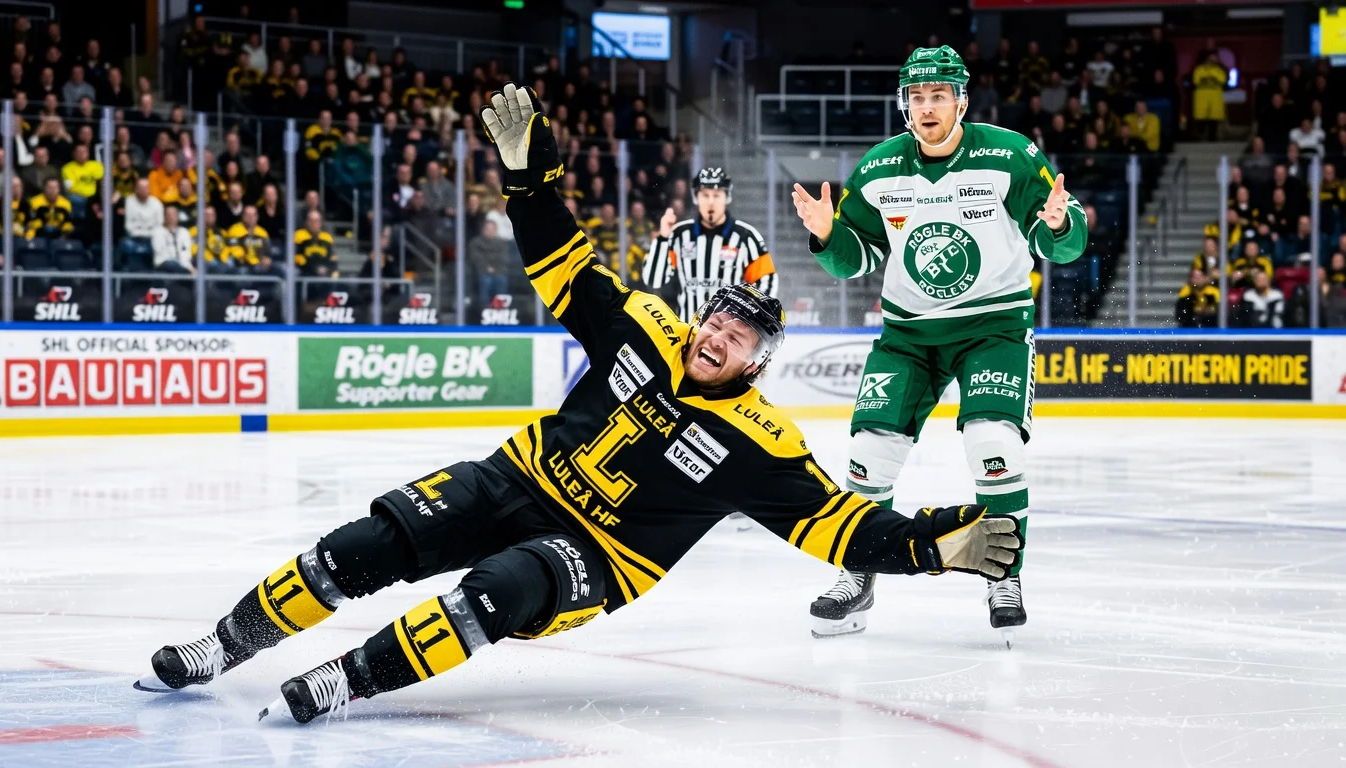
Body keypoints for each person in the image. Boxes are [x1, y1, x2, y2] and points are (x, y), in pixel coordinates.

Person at [135, 83, 1024, 724]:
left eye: (742, 339)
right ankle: (224, 645)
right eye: (717, 321)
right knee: (358, 548)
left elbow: (839, 529)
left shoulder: (760, 441)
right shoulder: (641, 323)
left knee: (494, 593)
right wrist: (528, 181)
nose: (718, 337)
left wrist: (938, 543)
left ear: (757, 364)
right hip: (512, 477)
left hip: (595, 552)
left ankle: (346, 681)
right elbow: (563, 259)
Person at [790, 46, 1086, 642]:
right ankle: (859, 570)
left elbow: (1065, 245)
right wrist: (827, 236)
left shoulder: (1010, 155)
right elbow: (855, 260)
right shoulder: (878, 169)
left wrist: (1058, 225)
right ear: (906, 104)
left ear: (961, 100)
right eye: (917, 97)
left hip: (993, 330)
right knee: (868, 457)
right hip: (907, 336)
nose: (927, 107)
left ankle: (1005, 574)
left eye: (938, 96)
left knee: (992, 442)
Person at [641, 166, 776, 321]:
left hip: (728, 334)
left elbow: (767, 281)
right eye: (705, 195)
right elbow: (653, 279)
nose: (710, 202)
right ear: (696, 198)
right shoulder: (679, 234)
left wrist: (747, 318)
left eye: (717, 195)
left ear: (727, 197)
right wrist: (663, 237)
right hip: (688, 330)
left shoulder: (746, 236)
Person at [152, 205, 194, 274]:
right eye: (168, 215)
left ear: (177, 216)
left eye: (174, 214)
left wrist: (188, 267)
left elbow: (186, 253)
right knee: (172, 264)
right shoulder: (158, 232)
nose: (171, 217)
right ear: (164, 217)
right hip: (163, 264)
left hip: (182, 266)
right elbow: (162, 254)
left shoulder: (184, 232)